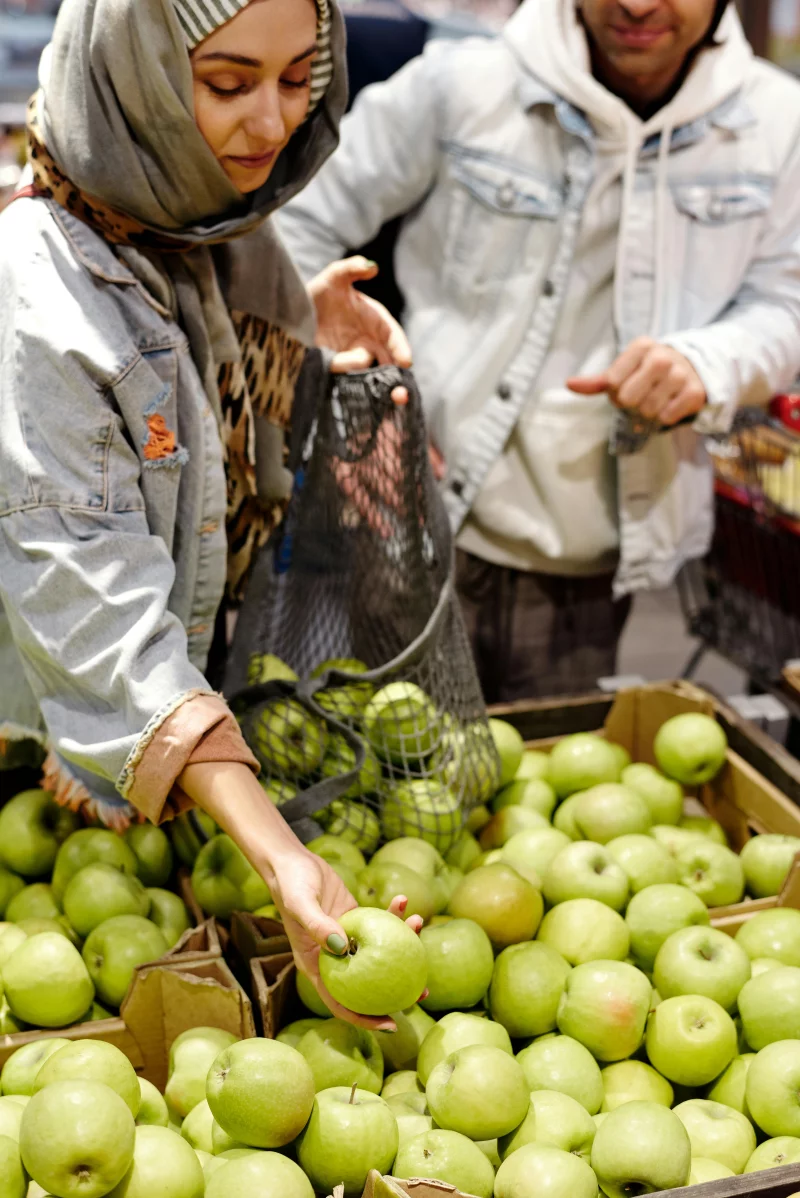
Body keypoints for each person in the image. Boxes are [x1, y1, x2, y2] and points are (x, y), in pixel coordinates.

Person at [0, 0, 418, 1025]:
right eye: (227, 83)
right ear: (134, 73)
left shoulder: (198, 220)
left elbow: (179, 356)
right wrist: (280, 854)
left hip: (162, 691)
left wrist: (294, 328)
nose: (271, 124)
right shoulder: (38, 289)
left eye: (296, 77)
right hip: (44, 713)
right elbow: (84, 586)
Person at [277, 0, 800, 702]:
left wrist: (709, 361)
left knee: (542, 784)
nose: (639, 4)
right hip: (408, 520)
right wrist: (348, 394)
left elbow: (787, 303)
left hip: (588, 559)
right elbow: (294, 219)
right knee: (376, 772)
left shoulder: (779, 125)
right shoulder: (464, 82)